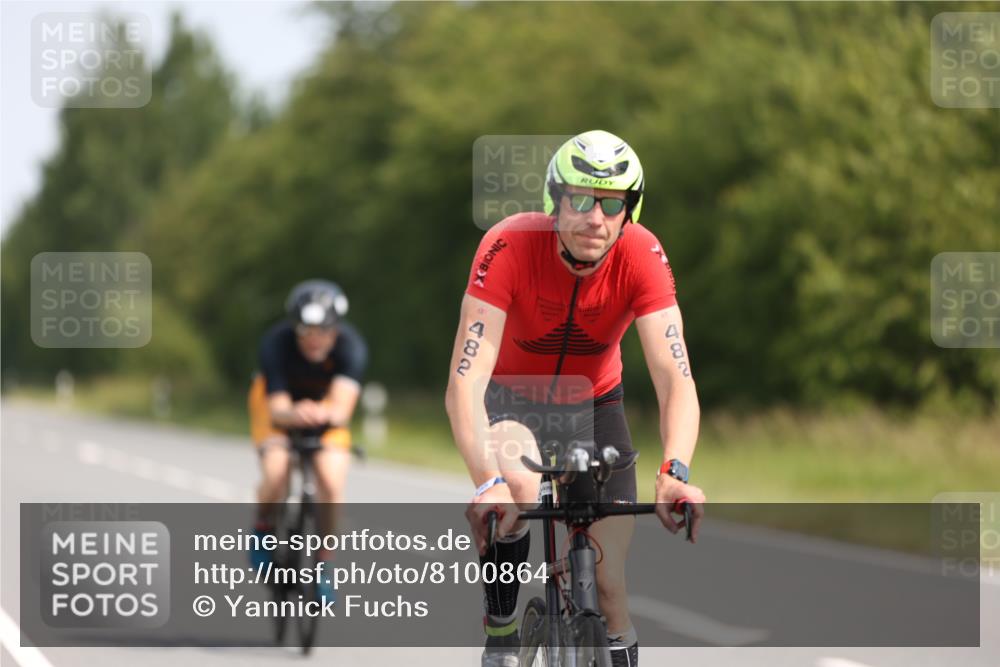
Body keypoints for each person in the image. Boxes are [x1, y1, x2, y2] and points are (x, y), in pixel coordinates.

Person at [445, 130, 707, 667]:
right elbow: (465, 382)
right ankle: (502, 629)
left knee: (609, 587)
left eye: (612, 204)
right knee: (516, 484)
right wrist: (487, 483)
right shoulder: (509, 245)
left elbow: (675, 377)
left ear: (629, 210)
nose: (596, 218)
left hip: (596, 407)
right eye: (582, 199)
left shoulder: (642, 253)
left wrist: (675, 469)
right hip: (514, 402)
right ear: (555, 199)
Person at [247, 279, 368, 602]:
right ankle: (262, 529)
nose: (314, 341)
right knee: (276, 471)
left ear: (336, 330)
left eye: (323, 332)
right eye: (306, 332)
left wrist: (319, 412)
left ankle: (324, 564)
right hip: (279, 410)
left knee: (330, 482)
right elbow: (276, 408)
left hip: (325, 413)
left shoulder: (351, 348)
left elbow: (341, 410)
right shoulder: (275, 343)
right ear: (294, 328)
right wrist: (293, 413)